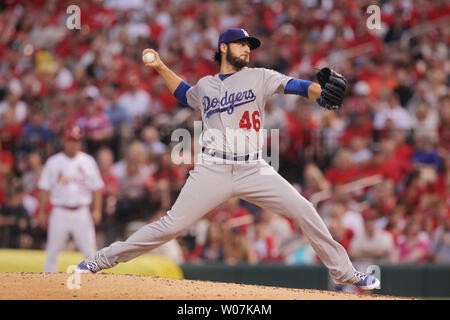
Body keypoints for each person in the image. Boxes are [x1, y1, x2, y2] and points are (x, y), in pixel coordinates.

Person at [78, 28, 379, 290]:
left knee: (303, 208)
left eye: (250, 45)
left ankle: (344, 272)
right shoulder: (207, 84)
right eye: (242, 44)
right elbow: (186, 95)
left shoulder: (260, 76)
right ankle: (100, 260)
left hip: (254, 167)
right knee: (170, 226)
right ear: (224, 48)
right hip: (213, 167)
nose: (248, 49)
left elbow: (297, 86)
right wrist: (159, 65)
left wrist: (319, 93)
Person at [38, 125, 104, 273]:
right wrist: (41, 212)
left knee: (90, 252)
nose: (73, 144)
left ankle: (99, 286)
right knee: (52, 253)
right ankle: (46, 289)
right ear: (64, 141)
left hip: (82, 212)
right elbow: (44, 188)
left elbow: (97, 187)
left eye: (76, 140)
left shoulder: (87, 161)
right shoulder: (53, 162)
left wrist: (97, 210)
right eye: (70, 140)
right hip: (59, 212)